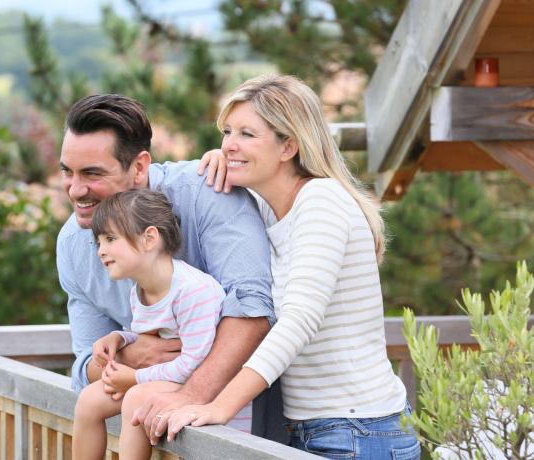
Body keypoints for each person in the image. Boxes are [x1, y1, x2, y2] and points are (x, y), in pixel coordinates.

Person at [166, 74, 421, 460]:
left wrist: (219, 406)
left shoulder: (321, 202)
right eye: (227, 132)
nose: (230, 144)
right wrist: (223, 160)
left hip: (359, 433)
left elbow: (298, 322)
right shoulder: (269, 207)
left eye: (248, 134)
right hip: (313, 430)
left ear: (288, 146)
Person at [56, 94, 286, 444]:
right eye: (66, 172)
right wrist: (131, 353)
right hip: (152, 424)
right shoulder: (73, 244)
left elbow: (252, 310)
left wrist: (189, 395)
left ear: (139, 166)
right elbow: (85, 364)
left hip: (241, 436)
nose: (76, 190)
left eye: (92, 174)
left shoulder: (208, 192)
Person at [73, 188, 247, 460]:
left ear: (149, 238)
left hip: (209, 389)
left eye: (110, 239)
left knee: (135, 398)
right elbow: (152, 335)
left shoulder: (192, 290)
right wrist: (118, 339)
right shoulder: (140, 291)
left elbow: (197, 364)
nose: (101, 251)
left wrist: (135, 378)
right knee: (89, 400)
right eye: (98, 242)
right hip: (171, 379)